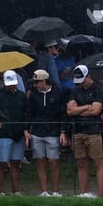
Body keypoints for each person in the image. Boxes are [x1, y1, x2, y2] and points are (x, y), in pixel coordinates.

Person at [24, 68, 67, 196]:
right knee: (40, 161)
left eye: (37, 82)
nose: (35, 85)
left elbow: (62, 114)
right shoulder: (33, 95)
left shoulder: (58, 93)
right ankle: (44, 191)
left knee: (53, 162)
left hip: (53, 132)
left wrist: (63, 131)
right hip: (37, 133)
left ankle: (56, 191)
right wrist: (26, 129)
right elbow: (29, 113)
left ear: (44, 81)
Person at [66, 64, 103, 197]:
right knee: (81, 162)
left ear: (88, 76)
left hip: (93, 131)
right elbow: (70, 111)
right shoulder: (75, 90)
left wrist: (78, 110)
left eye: (83, 79)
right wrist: (87, 106)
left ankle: (100, 195)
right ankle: (83, 193)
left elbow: (95, 110)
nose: (80, 83)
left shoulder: (98, 89)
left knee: (98, 162)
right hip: (78, 130)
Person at [0, 70, 27, 196]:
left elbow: (25, 113)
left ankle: (16, 191)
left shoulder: (21, 95)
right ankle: (0, 191)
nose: (11, 86)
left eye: (13, 84)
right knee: (2, 164)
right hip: (3, 133)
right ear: (4, 82)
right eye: (9, 84)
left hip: (18, 134)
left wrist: (25, 130)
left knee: (15, 163)